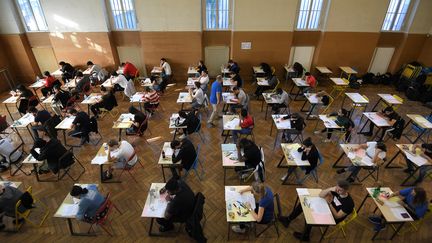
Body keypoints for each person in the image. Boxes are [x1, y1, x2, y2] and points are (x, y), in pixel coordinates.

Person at [279, 180, 355, 241]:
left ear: (346, 191)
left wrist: (330, 204)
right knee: (303, 204)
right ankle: (288, 219)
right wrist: (330, 189)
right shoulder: (336, 190)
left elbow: (337, 216)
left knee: (309, 216)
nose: (337, 191)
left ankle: (306, 236)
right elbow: (321, 195)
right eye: (337, 188)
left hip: (332, 218)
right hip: (326, 207)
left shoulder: (349, 204)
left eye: (340, 190)